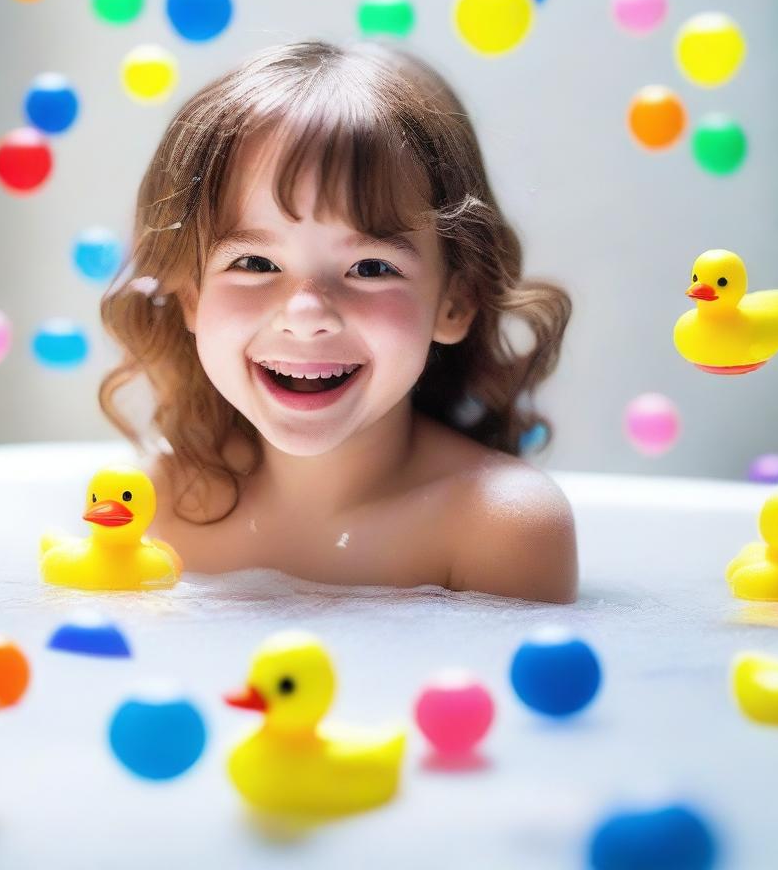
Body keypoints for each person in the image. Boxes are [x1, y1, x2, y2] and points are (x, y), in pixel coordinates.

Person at [99, 39, 576, 602]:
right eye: (254, 263)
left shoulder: (498, 529)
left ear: (456, 300)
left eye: (371, 268)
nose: (306, 316)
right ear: (190, 298)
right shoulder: (154, 509)